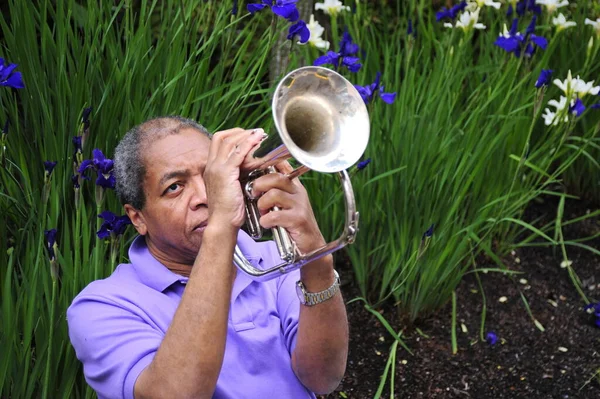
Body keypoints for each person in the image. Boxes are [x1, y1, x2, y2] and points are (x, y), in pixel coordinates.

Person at [67, 116, 349, 399]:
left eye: (210, 177)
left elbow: (322, 378)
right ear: (138, 218)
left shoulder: (276, 257)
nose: (205, 196)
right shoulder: (101, 306)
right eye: (175, 187)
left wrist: (317, 261)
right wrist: (222, 225)